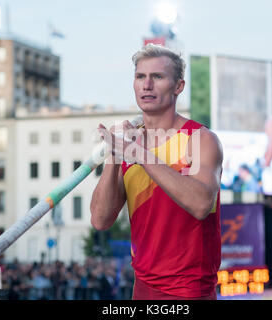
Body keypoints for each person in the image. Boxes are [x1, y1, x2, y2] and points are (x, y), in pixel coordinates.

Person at [91, 44, 223, 300]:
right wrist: (114, 156)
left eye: (157, 77)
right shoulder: (128, 146)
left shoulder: (200, 139)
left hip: (189, 290)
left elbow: (201, 204)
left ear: (178, 87)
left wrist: (140, 154)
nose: (146, 85)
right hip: (142, 287)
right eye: (140, 77)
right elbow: (100, 220)